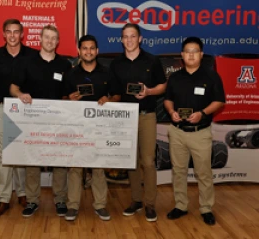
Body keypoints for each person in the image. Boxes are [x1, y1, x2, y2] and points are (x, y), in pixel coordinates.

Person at [10, 25, 72, 217]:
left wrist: (68, 102)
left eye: (54, 38)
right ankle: (32, 201)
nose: (50, 41)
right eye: (47, 37)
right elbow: (13, 87)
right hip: (32, 121)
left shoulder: (65, 65)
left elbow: (66, 95)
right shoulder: (27, 62)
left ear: (58, 41)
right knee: (32, 161)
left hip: (57, 121)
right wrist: (20, 95)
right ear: (40, 39)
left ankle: (60, 200)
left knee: (60, 162)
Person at [164, 36, 225, 226]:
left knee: (203, 173)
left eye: (195, 51)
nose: (191, 55)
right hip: (177, 132)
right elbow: (167, 99)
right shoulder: (174, 77)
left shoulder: (211, 76)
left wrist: (202, 113)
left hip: (200, 132)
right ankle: (181, 205)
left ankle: (206, 208)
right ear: (182, 55)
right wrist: (171, 111)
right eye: (187, 52)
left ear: (201, 54)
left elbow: (220, 101)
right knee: (179, 171)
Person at [110, 23, 167, 222]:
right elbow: (115, 93)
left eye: (132, 36)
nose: (129, 40)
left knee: (148, 161)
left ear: (140, 38)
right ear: (121, 39)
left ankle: (150, 204)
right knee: (131, 161)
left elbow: (163, 85)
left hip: (146, 115)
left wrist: (149, 91)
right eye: (125, 36)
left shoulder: (152, 60)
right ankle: (136, 200)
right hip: (125, 117)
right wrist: (108, 101)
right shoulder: (116, 64)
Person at [0, 19, 37, 216]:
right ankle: (4, 197)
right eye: (9, 32)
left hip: (24, 110)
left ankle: (22, 193)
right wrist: (1, 83)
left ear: (22, 34)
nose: (13, 35)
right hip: (1, 107)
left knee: (22, 151)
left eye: (16, 32)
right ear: (3, 34)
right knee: (3, 154)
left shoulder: (32, 55)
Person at [63, 35, 120, 221]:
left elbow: (118, 95)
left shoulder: (107, 72)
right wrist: (68, 99)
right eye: (84, 48)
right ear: (79, 51)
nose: (88, 51)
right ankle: (72, 206)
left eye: (91, 48)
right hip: (76, 125)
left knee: (98, 166)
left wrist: (109, 99)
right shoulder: (71, 74)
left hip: (99, 126)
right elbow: (61, 99)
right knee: (75, 167)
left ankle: (100, 205)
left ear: (97, 51)